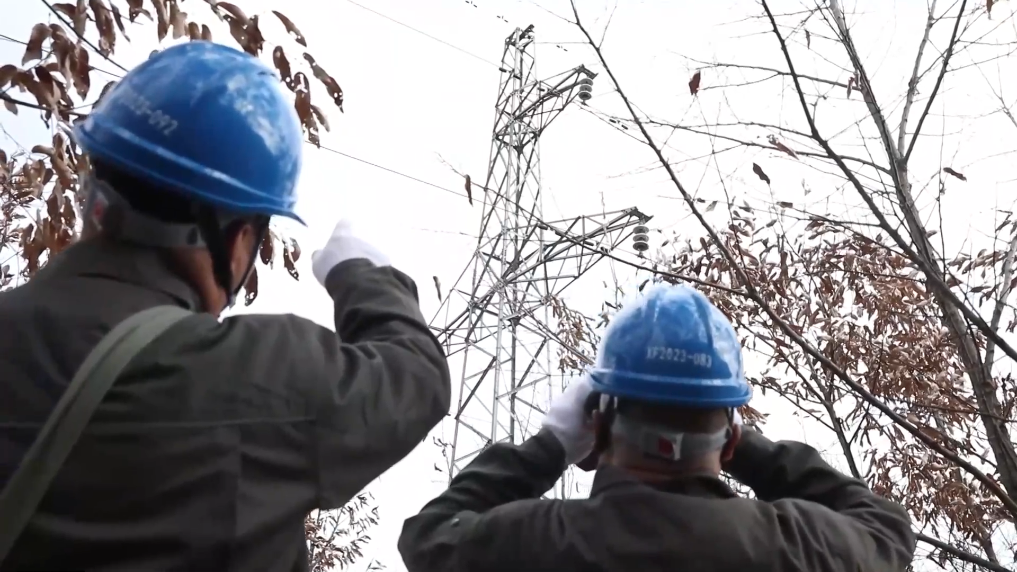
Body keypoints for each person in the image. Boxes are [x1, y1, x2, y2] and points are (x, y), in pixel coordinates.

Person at [0, 41, 451, 571]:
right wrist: (364, 276)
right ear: (237, 240)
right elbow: (415, 377)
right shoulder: (251, 377)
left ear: (94, 187)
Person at [398, 283, 916, 572]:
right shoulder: (796, 547)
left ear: (597, 427)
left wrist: (549, 447)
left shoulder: (534, 543)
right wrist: (746, 447)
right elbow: (887, 528)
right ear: (730, 440)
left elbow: (429, 535)